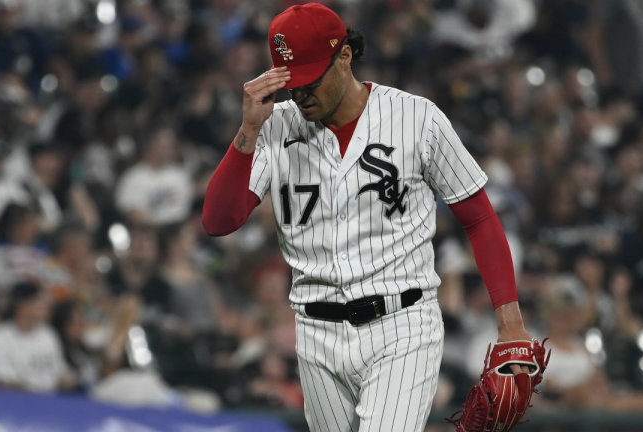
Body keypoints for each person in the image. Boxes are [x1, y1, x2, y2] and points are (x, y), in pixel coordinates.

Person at [202, 4, 533, 431]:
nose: (301, 94)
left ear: (344, 57)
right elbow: (218, 221)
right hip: (315, 330)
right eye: (292, 83)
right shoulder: (272, 126)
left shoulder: (416, 118)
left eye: (311, 81)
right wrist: (246, 133)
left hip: (402, 323)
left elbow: (479, 217)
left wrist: (510, 323)